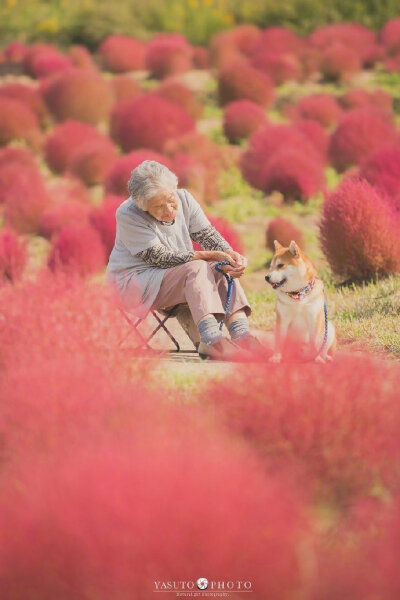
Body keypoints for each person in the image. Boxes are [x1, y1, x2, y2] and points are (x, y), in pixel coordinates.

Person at [106, 160, 264, 360]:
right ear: (143, 207)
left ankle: (242, 335)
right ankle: (213, 340)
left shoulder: (185, 199)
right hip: (134, 283)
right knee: (198, 267)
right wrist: (209, 255)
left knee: (221, 267)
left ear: (175, 188)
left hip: (176, 277)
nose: (169, 209)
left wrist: (230, 255)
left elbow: (208, 236)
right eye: (158, 207)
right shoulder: (128, 213)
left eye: (171, 200)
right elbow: (159, 258)